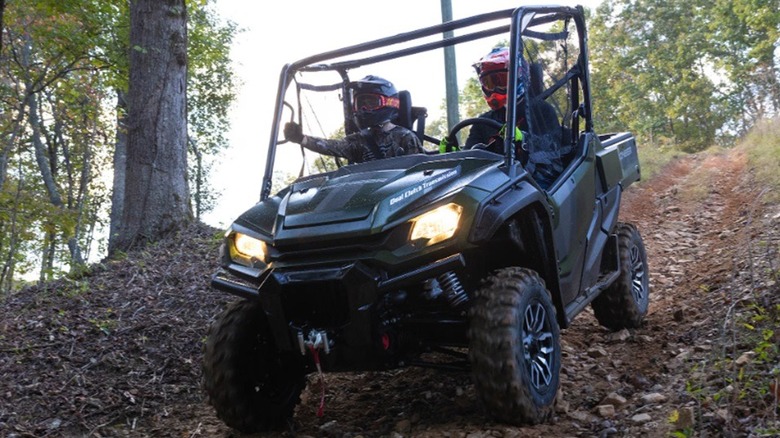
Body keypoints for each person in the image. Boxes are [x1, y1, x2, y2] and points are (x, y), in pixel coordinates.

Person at [465, 47, 565, 187]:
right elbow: (469, 156)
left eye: (500, 80)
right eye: (489, 83)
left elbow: (552, 147)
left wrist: (523, 139)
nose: (494, 89)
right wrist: (453, 154)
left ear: (519, 77)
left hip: (537, 181)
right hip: (494, 184)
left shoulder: (541, 110)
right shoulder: (482, 122)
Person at [283, 75, 424, 164]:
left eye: (371, 103)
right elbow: (333, 146)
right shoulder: (359, 140)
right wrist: (301, 138)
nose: (364, 108)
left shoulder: (406, 137)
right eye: (360, 103)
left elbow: (419, 175)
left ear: (389, 103)